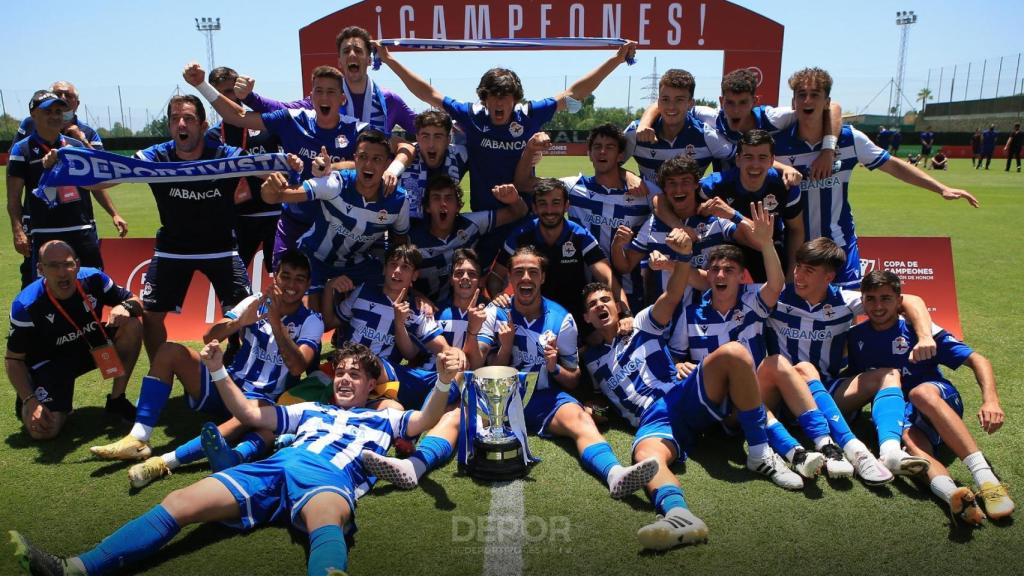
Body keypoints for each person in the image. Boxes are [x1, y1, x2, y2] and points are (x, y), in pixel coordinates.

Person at [10, 343, 467, 576]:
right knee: (181, 502)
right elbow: (249, 412)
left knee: (325, 519)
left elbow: (425, 419)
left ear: (372, 386)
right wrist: (217, 370)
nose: (345, 378)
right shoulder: (309, 408)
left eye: (356, 374)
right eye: (341, 372)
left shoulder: (382, 420)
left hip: (327, 477)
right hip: (272, 468)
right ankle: (79, 567)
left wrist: (444, 382)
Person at [361, 246, 660, 500]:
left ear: (543, 277)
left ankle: (615, 474)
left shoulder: (562, 319)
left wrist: (555, 366)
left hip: (542, 396)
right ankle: (412, 467)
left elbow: (574, 379)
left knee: (579, 418)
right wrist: (478, 333)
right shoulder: (495, 312)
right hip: (496, 395)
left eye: (532, 272)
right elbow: (475, 365)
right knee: (455, 416)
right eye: (518, 272)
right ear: (511, 278)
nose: (526, 278)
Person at [582, 226, 804, 550]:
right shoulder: (588, 359)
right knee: (645, 457)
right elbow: (583, 391)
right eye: (593, 305)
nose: (601, 306)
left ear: (619, 307)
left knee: (735, 352)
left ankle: (760, 453)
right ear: (587, 317)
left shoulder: (641, 324)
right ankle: (679, 517)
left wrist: (683, 256)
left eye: (606, 300)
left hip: (678, 397)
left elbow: (672, 294)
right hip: (651, 421)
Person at [375, 39, 637, 265]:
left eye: (506, 96)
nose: (499, 102)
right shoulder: (473, 116)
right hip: (487, 221)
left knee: (529, 279)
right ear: (484, 98)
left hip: (525, 215)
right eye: (493, 96)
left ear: (515, 98)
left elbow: (575, 92)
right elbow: (428, 93)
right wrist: (389, 60)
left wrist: (615, 60)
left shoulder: (529, 115)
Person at [90, 251, 323, 488]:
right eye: (286, 276)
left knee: (257, 412)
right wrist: (239, 322)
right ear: (275, 279)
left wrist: (275, 321)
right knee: (169, 351)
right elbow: (208, 336)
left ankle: (165, 462)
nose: (291, 285)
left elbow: (297, 366)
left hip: (260, 402)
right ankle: (138, 438)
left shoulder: (312, 320)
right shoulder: (254, 301)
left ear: (308, 284)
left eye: (299, 279)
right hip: (225, 384)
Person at [773, 67, 978, 289]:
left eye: (814, 95)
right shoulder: (779, 143)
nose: (807, 100)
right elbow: (752, 159)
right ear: (793, 102)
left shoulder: (850, 139)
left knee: (846, 309)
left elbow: (894, 166)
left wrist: (941, 188)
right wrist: (780, 166)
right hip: (795, 247)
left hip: (840, 244)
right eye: (801, 95)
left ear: (826, 101)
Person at [841, 270, 1014, 523]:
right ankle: (954, 498)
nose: (878, 306)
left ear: (900, 301)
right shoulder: (856, 337)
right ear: (863, 301)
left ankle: (986, 479)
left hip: (939, 398)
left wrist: (991, 400)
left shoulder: (918, 329)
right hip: (907, 411)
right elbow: (857, 380)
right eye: (871, 299)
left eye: (886, 298)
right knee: (909, 442)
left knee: (920, 392)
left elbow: (978, 360)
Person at [766, 238, 941, 485]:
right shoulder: (775, 296)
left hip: (826, 391)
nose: (798, 275)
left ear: (828, 277)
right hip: (783, 397)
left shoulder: (844, 301)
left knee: (889, 374)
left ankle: (890, 451)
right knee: (803, 369)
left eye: (809, 270)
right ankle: (854, 449)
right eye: (798, 267)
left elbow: (910, 300)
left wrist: (924, 337)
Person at [667, 208, 826, 480]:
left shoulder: (752, 300)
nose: (720, 276)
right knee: (737, 364)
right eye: (715, 270)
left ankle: (826, 444)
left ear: (741, 277)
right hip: (718, 408)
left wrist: (765, 243)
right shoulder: (690, 314)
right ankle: (794, 452)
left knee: (777, 363)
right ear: (707, 275)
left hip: (756, 393)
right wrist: (679, 363)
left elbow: (776, 284)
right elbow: (673, 356)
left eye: (729, 271)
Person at [109, 95, 252, 360]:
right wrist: (72, 169)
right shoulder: (156, 155)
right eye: (175, 119)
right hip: (173, 247)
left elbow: (264, 169)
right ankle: (160, 370)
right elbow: (115, 173)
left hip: (219, 246)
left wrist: (285, 168)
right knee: (151, 315)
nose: (181, 124)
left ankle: (248, 371)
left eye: (188, 118)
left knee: (246, 312)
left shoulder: (224, 154)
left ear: (203, 125)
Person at [6, 241, 142, 439]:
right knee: (44, 432)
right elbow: (13, 359)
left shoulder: (94, 278)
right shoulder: (25, 305)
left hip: (89, 348)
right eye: (53, 266)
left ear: (77, 265)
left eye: (67, 264)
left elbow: (137, 301)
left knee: (132, 325)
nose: (62, 273)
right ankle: (38, 396)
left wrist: (126, 307)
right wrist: (30, 400)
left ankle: (117, 400)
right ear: (40, 269)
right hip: (50, 364)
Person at [259, 129, 409, 302]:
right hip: (313, 258)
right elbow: (276, 196)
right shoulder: (335, 183)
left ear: (387, 164)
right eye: (363, 157)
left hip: (355, 264)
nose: (368, 164)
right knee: (310, 319)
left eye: (376, 159)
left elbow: (400, 242)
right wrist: (268, 189)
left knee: (389, 296)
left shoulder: (399, 200)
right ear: (355, 158)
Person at [516, 123, 652, 310]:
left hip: (629, 288)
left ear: (621, 155)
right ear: (589, 154)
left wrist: (628, 174)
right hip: (583, 289)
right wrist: (530, 149)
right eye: (597, 147)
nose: (602, 152)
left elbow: (667, 206)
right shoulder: (573, 187)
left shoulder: (641, 193)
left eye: (610, 147)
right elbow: (523, 183)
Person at [7, 90, 127, 287]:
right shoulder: (22, 150)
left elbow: (94, 183)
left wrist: (113, 213)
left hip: (81, 228)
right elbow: (13, 199)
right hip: (44, 231)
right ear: (34, 115)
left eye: (58, 111)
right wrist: (18, 231)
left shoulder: (75, 145)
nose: (54, 116)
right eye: (48, 112)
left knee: (93, 284)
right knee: (43, 291)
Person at [635, 67, 842, 180]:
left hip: (767, 192)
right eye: (730, 103)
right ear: (720, 101)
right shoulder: (710, 117)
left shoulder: (772, 118)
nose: (735, 110)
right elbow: (665, 104)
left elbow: (833, 107)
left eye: (743, 103)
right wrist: (645, 123)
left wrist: (827, 150)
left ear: (755, 101)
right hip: (728, 194)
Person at [324, 244, 450, 410]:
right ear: (384, 269)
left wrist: (454, 352)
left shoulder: (417, 310)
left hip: (380, 378)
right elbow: (331, 322)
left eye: (405, 267)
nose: (397, 271)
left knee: (394, 409)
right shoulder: (363, 291)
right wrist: (328, 288)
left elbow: (415, 352)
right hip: (345, 368)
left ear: (415, 275)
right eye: (393, 264)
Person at [488, 177, 627, 327]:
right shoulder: (521, 235)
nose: (549, 211)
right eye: (543, 204)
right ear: (534, 207)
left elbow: (608, 278)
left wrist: (626, 315)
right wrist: (497, 295)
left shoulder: (579, 235)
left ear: (566, 205)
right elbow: (495, 276)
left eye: (556, 203)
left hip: (576, 317)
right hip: (531, 317)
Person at [612, 156, 751, 304]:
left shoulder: (715, 219)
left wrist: (733, 214)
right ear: (664, 188)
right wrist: (617, 245)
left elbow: (754, 238)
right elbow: (625, 266)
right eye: (672, 183)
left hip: (709, 319)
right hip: (666, 319)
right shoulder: (653, 224)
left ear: (696, 185)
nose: (679, 189)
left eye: (685, 182)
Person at [236, 26, 418, 137]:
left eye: (358, 50)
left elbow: (422, 128)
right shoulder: (324, 98)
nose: (352, 54)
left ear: (369, 61)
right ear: (339, 62)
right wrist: (250, 97)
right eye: (346, 51)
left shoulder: (389, 100)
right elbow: (283, 110)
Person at [204, 66, 284, 274]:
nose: (227, 98)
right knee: (233, 279)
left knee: (279, 276)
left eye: (231, 91)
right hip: (238, 218)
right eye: (221, 93)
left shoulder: (266, 122)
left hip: (275, 214)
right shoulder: (214, 136)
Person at [698, 129, 803, 281]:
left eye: (762, 157)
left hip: (768, 251)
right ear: (738, 159)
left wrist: (791, 278)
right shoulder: (715, 184)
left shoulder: (784, 186)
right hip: (727, 252)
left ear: (772, 161)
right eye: (748, 157)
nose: (755, 165)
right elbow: (686, 203)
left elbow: (796, 230)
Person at [409, 176, 526, 304]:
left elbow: (518, 212)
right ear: (427, 207)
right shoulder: (412, 239)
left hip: (466, 305)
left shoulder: (470, 224)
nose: (443, 203)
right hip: (425, 310)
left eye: (448, 198)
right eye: (436, 198)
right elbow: (396, 279)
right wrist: (419, 297)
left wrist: (514, 200)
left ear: (458, 207)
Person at [623, 69, 735, 182]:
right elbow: (607, 165)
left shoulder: (706, 136)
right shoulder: (637, 132)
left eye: (679, 100)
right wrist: (628, 175)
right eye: (665, 99)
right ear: (658, 102)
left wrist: (710, 185)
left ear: (690, 103)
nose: (671, 107)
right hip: (648, 200)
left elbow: (741, 162)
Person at [399, 110, 470, 221]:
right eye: (425, 136)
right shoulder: (403, 156)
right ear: (417, 137)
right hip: (407, 230)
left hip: (443, 230)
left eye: (438, 136)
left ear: (448, 140)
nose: (431, 144)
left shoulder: (460, 156)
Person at [11, 81, 105, 150]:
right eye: (58, 94)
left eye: (68, 95)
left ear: (77, 104)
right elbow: (12, 157)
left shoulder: (88, 132)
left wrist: (83, 141)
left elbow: (103, 164)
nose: (63, 98)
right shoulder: (30, 123)